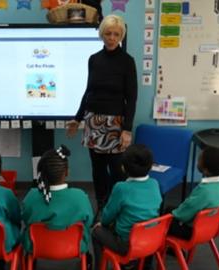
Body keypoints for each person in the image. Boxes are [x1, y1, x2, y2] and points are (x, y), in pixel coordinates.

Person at [66, 14, 138, 216]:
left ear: (121, 35)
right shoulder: (94, 59)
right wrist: (77, 118)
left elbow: (131, 98)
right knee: (98, 170)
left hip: (116, 124)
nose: (112, 38)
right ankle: (101, 205)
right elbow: (88, 91)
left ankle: (117, 208)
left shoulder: (127, 62)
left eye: (116, 34)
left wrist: (127, 129)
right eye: (108, 33)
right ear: (102, 34)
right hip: (93, 122)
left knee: (117, 170)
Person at [92, 144, 162, 270]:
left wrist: (101, 223)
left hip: (127, 244)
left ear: (123, 168)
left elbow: (108, 215)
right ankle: (145, 264)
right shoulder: (155, 183)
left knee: (96, 232)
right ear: (151, 166)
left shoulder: (121, 188)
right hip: (152, 239)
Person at [21, 145, 94, 264]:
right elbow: (89, 221)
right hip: (75, 246)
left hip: (36, 246)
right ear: (67, 172)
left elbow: (25, 218)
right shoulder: (80, 196)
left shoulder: (32, 195)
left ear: (41, 173)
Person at [169, 146, 219, 240]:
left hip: (193, 231)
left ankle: (173, 249)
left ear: (206, 170)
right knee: (170, 209)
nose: (197, 161)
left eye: (199, 160)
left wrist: (173, 214)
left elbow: (183, 214)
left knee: (164, 217)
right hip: (211, 227)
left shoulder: (204, 191)